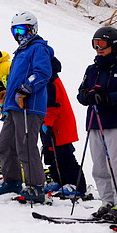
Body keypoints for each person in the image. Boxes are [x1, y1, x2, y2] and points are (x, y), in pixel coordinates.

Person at [0, 11, 53, 203]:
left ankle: (36, 187)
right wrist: (7, 95)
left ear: (33, 29)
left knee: (25, 146)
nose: (19, 35)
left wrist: (25, 89)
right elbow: (15, 79)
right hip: (14, 106)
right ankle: (12, 180)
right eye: (15, 30)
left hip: (29, 106)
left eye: (22, 30)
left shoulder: (38, 48)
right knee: (5, 145)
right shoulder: (21, 52)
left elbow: (42, 72)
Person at [77, 26, 117, 222]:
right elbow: (81, 93)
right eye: (95, 44)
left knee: (116, 165)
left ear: (114, 45)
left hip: (114, 123)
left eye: (102, 44)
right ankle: (108, 201)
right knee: (98, 166)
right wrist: (89, 96)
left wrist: (104, 98)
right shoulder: (92, 69)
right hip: (94, 123)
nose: (98, 48)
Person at [41, 55, 87, 199]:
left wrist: (47, 122)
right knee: (50, 154)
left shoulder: (50, 81)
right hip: (48, 124)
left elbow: (53, 105)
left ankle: (77, 184)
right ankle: (58, 179)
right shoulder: (44, 80)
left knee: (64, 155)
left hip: (59, 125)